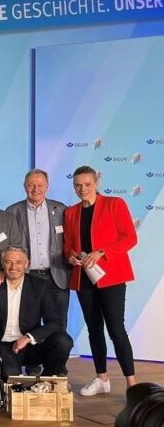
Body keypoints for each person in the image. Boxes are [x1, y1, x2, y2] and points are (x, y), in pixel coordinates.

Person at [64, 165, 138, 395]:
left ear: (96, 183)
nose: (82, 189)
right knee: (94, 329)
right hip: (83, 278)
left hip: (111, 277)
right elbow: (67, 245)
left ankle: (132, 384)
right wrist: (72, 256)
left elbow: (130, 238)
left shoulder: (114, 204)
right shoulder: (71, 212)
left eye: (87, 184)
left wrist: (102, 252)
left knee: (116, 329)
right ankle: (101, 378)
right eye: (78, 185)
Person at [0, 247, 72, 378]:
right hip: (4, 346)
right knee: (12, 380)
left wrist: (29, 337)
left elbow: (55, 321)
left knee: (64, 341)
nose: (13, 267)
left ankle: (47, 380)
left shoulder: (40, 286)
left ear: (26, 264)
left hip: (30, 344)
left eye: (18, 262)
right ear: (2, 264)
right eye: (8, 262)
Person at [5, 168, 70, 329]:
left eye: (40, 185)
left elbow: (70, 241)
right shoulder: (12, 212)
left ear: (47, 186)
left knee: (59, 323)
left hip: (56, 277)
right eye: (31, 185)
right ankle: (32, 355)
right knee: (28, 322)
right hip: (28, 276)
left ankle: (56, 354)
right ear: (24, 186)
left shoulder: (61, 210)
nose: (35, 189)